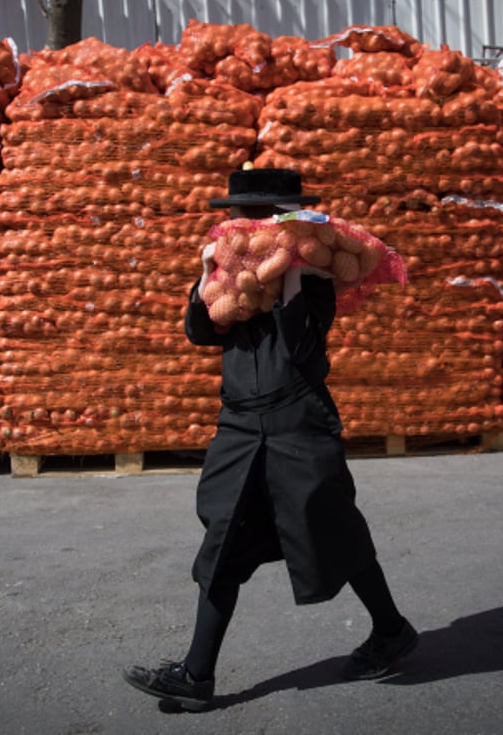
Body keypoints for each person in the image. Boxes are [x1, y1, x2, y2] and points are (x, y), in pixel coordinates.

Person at [122, 168, 417, 712]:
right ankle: (196, 675)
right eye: (244, 217)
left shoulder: (314, 280)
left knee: (332, 532)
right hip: (239, 427)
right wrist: (205, 274)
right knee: (222, 541)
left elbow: (302, 347)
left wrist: (292, 275)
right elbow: (200, 331)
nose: (250, 227)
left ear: (290, 223)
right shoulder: (231, 280)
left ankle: (391, 629)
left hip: (297, 423)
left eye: (264, 218)